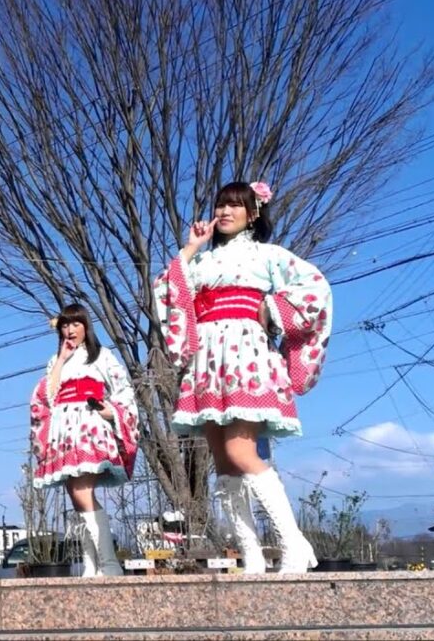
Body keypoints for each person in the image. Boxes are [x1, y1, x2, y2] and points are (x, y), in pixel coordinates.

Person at [153, 181, 333, 574]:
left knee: (239, 453)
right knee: (224, 464)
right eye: (220, 204)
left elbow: (315, 288)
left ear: (253, 214)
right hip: (208, 358)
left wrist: (270, 308)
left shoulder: (267, 255)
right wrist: (190, 248)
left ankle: (292, 543)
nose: (224, 211)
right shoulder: (200, 261)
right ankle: (250, 554)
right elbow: (168, 290)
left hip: (244, 354)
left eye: (235, 205)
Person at [28, 303, 139, 577]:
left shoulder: (101, 356)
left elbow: (124, 389)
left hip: (88, 425)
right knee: (76, 496)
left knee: (82, 492)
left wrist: (110, 410)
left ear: (86, 326)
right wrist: (62, 360)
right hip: (64, 431)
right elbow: (48, 396)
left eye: (75, 324)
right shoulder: (56, 361)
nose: (70, 330)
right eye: (65, 325)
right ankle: (92, 564)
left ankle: (109, 562)